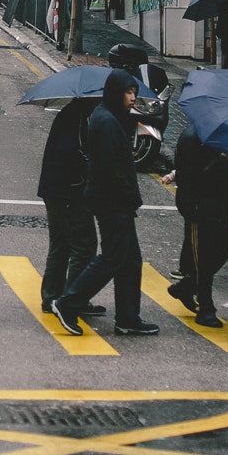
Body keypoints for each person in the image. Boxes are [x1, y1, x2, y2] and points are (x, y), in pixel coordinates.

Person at [53, 70, 157, 336]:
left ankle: (128, 317)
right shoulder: (107, 122)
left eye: (134, 92)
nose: (133, 98)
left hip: (114, 201)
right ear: (115, 92)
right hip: (113, 203)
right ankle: (68, 303)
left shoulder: (107, 116)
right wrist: (130, 196)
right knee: (112, 258)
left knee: (131, 260)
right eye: (128, 93)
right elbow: (112, 170)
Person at [165, 129, 228, 328]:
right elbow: (190, 178)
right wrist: (220, 159)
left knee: (221, 251)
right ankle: (206, 309)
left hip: (218, 207)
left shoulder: (222, 137)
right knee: (201, 258)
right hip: (197, 207)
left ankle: (186, 287)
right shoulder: (191, 138)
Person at [38, 96, 103, 323]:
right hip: (67, 191)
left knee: (61, 245)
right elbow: (70, 150)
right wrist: (89, 166)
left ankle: (51, 298)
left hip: (55, 189)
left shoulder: (75, 114)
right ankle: (71, 300)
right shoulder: (75, 117)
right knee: (84, 246)